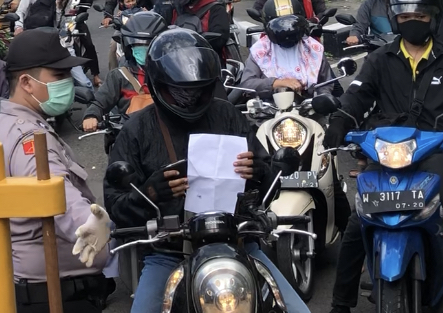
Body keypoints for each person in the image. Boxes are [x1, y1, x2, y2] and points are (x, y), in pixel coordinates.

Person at [105, 30, 312, 313]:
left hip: (238, 243)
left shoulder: (228, 115)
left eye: (198, 90)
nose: (189, 98)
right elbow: (115, 203)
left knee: (298, 311)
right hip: (168, 252)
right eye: (178, 91)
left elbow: (268, 184)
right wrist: (150, 193)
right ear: (156, 85)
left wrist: (260, 172)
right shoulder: (136, 131)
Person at [323, 0, 443, 313]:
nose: (412, 22)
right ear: (395, 18)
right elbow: (357, 94)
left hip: (438, 151)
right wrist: (341, 118)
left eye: (419, 16)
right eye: (404, 17)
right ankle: (340, 304)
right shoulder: (379, 59)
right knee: (359, 220)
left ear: (433, 17)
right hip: (388, 152)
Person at [0, 30, 111, 312]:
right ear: (27, 83)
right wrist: (86, 223)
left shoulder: (9, 123)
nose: (67, 82)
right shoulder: (30, 139)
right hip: (54, 295)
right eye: (58, 76)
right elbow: (52, 188)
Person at [241, 0, 342, 98]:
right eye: (280, 28)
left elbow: (326, 82)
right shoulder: (260, 51)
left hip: (308, 106)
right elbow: (247, 84)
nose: (287, 33)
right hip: (270, 107)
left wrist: (321, 99)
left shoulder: (313, 48)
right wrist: (277, 83)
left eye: (293, 26)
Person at [83, 11, 167, 131]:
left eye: (148, 45)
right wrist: (91, 115)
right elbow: (100, 101)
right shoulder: (119, 76)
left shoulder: (170, 74)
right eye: (137, 45)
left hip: (166, 134)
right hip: (130, 136)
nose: (143, 49)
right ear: (128, 47)